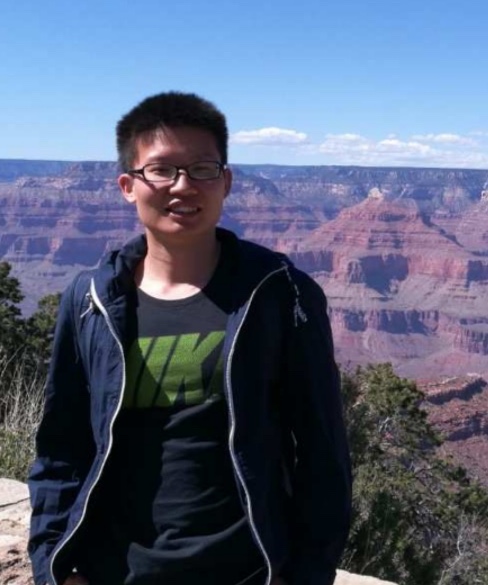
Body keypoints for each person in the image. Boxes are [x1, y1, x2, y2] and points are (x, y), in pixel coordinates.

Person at [28, 91, 352, 585]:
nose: (182, 185)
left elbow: (322, 452)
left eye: (202, 169)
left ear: (226, 182)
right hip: (110, 572)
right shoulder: (88, 299)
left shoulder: (280, 295)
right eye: (160, 170)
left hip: (244, 572)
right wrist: (53, 566)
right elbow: (61, 446)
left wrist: (305, 575)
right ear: (127, 186)